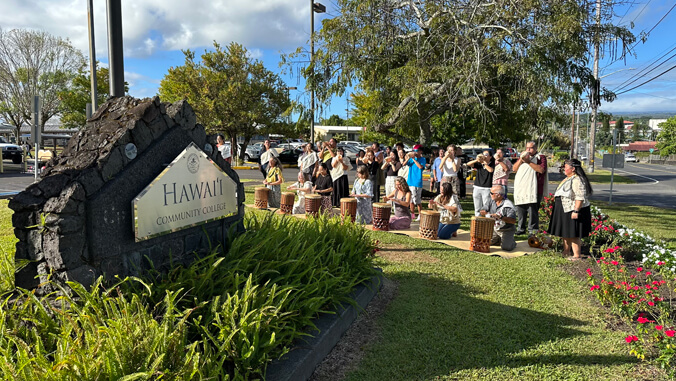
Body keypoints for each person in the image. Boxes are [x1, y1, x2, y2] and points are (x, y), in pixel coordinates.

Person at [548, 159, 593, 261]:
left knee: (573, 233)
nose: (564, 169)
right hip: (565, 209)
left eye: (566, 167)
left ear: (573, 169)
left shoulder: (577, 180)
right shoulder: (569, 178)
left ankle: (577, 255)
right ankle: (566, 251)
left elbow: (580, 197)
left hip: (572, 210)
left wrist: (576, 211)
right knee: (566, 232)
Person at [513, 141, 548, 235]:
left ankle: (532, 230)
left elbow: (541, 170)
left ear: (535, 149)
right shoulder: (522, 158)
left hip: (534, 188)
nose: (528, 150)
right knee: (521, 209)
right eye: (527, 148)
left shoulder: (540, 157)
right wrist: (521, 160)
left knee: (532, 211)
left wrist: (529, 162)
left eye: (531, 148)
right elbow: (514, 169)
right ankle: (521, 228)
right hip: (521, 188)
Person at [479, 185, 518, 251]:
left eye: (491, 193)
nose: (490, 194)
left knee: (506, 248)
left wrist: (500, 217)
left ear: (498, 195)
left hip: (506, 230)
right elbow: (484, 209)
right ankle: (498, 240)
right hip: (494, 229)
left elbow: (513, 221)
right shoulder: (491, 200)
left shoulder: (508, 205)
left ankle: (512, 242)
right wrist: (484, 211)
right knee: (485, 242)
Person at [467, 150, 495, 216]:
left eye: (486, 154)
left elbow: (491, 170)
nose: (484, 156)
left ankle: (488, 219)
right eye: (483, 154)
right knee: (477, 207)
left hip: (487, 188)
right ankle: (477, 219)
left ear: (490, 156)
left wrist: (484, 163)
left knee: (486, 206)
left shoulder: (492, 163)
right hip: (477, 186)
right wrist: (477, 160)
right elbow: (469, 164)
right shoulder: (479, 163)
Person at [406, 144, 426, 221]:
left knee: (417, 200)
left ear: (420, 151)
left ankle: (420, 214)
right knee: (410, 199)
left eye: (416, 151)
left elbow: (420, 167)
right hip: (410, 181)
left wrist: (414, 159)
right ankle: (412, 214)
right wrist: (408, 157)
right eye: (414, 151)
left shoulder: (423, 159)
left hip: (417, 182)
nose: (415, 152)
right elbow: (404, 164)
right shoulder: (411, 159)